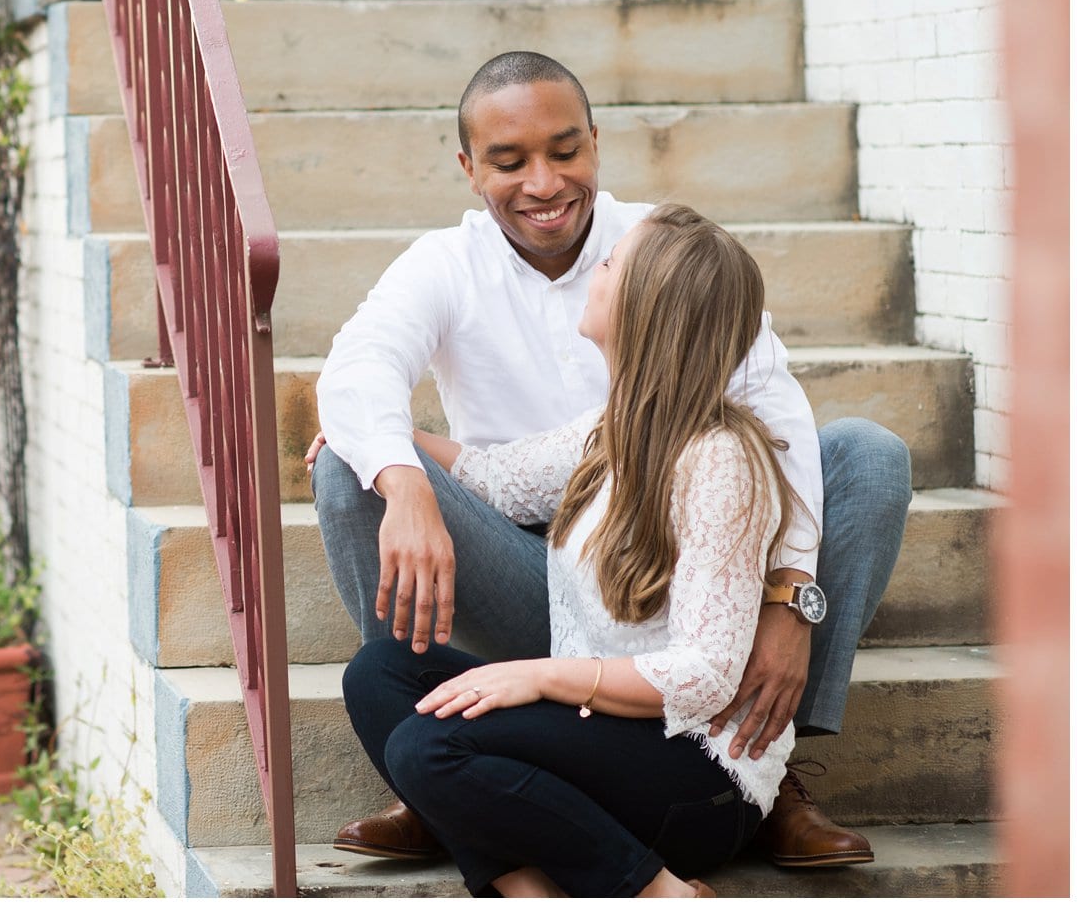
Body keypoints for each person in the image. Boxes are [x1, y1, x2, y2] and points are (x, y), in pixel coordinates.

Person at [312, 52, 911, 868]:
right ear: (468, 168)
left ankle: (765, 767)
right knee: (351, 467)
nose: (543, 182)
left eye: (565, 150)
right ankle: (430, 770)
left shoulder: (666, 254)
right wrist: (397, 467)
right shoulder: (447, 264)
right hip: (531, 565)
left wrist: (788, 598)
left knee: (867, 455)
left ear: (596, 140)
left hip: (691, 580)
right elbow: (361, 371)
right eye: (509, 161)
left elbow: (775, 414)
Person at [341, 203, 805, 896]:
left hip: (699, 777)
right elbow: (494, 479)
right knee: (379, 673)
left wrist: (542, 676)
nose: (596, 268)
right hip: (604, 740)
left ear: (648, 308)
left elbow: (707, 675)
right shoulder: (614, 430)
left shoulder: (719, 458)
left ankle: (656, 888)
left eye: (613, 263)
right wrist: (384, 448)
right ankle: (525, 883)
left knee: (427, 744)